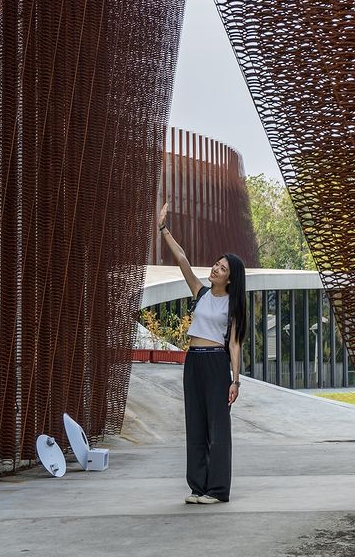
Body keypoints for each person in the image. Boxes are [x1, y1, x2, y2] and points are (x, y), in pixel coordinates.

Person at [156, 201, 246, 505]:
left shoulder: (233, 305)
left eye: (222, 268)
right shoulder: (201, 292)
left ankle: (217, 490)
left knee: (217, 428)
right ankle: (198, 487)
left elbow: (234, 344)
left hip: (216, 364)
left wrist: (235, 381)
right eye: (216, 264)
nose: (215, 269)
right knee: (195, 424)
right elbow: (182, 258)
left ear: (230, 278)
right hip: (193, 361)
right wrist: (163, 228)